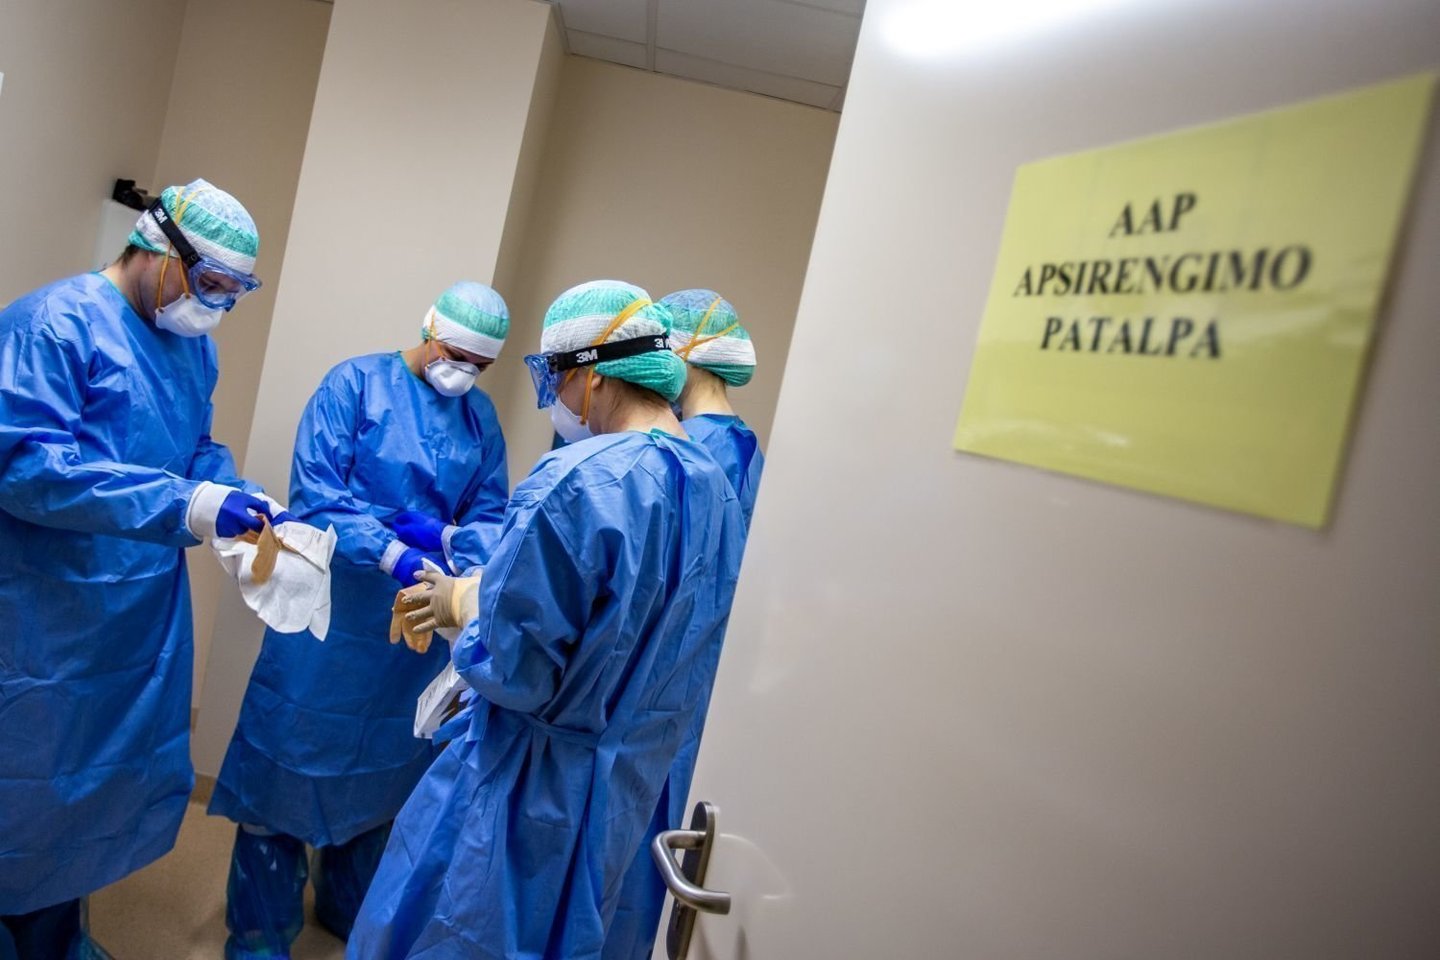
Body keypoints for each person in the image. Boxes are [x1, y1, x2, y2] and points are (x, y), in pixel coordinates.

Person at [347, 280, 746, 959]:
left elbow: (516, 670)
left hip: (526, 790)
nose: (557, 399)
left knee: (451, 933)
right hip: (624, 791)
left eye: (556, 378)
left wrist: (463, 608)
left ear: (592, 375)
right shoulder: (712, 486)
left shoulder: (576, 480)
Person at [0, 179, 275, 957]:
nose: (215, 306)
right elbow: (25, 467)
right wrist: (186, 504)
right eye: (210, 283)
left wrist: (230, 491)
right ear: (159, 248)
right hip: (42, 613)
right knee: (23, 787)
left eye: (233, 293)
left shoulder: (191, 346)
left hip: (132, 611)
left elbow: (194, 448)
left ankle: (52, 935)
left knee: (82, 795)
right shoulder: (53, 324)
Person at [208, 281, 512, 958]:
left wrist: (447, 540)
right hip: (328, 621)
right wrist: (390, 549)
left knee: (382, 776)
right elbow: (316, 497)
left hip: (411, 630)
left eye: (479, 364)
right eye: (456, 354)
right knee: (287, 766)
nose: (463, 371)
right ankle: (259, 936)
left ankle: (347, 906)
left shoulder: (479, 420)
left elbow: (492, 519)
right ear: (429, 330)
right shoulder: (354, 386)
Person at [603, 289, 764, 959]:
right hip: (695, 696)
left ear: (684, 354)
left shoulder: (686, 454)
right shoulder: (746, 448)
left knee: (621, 865)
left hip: (648, 696)